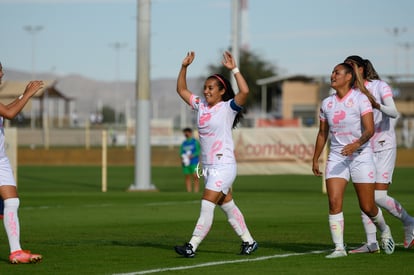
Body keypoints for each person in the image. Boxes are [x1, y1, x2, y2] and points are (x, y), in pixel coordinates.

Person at [174, 51, 258, 257]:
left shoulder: (227, 107)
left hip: (224, 166)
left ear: (222, 91)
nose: (206, 91)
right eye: (205, 87)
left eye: (211, 88)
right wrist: (184, 67)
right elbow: (181, 89)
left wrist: (234, 69)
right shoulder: (201, 105)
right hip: (209, 168)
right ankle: (249, 241)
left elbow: (244, 91)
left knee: (206, 203)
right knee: (227, 205)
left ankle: (191, 245)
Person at [312, 62, 395, 258]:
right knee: (333, 202)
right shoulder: (327, 103)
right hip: (336, 157)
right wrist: (315, 159)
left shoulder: (361, 99)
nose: (332, 75)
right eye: (332, 72)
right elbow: (322, 133)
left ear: (349, 77)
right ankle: (339, 248)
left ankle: (384, 229)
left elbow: (369, 130)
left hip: (361, 156)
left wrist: (356, 145)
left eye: (337, 72)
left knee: (367, 206)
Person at [344, 55, 414, 253]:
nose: (349, 71)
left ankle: (409, 222)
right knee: (365, 198)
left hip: (384, 145)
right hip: (364, 148)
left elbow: (394, 112)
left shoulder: (379, 86)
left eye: (352, 67)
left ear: (362, 69)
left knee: (378, 196)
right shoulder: (351, 93)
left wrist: (376, 105)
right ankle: (371, 243)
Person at [0, 62, 43, 263]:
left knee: (12, 201)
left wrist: (22, 95)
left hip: (0, 159)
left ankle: (16, 252)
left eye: (1, 70)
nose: (1, 74)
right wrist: (28, 94)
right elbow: (10, 114)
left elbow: (6, 109)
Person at [180, 127, 200, 192]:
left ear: (190, 133)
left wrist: (193, 155)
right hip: (186, 163)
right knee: (187, 176)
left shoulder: (195, 142)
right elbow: (181, 152)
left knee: (195, 176)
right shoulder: (184, 143)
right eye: (185, 132)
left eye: (187, 132)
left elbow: (198, 151)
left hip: (194, 162)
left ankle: (196, 190)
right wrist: (183, 157)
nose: (186, 134)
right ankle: (189, 191)